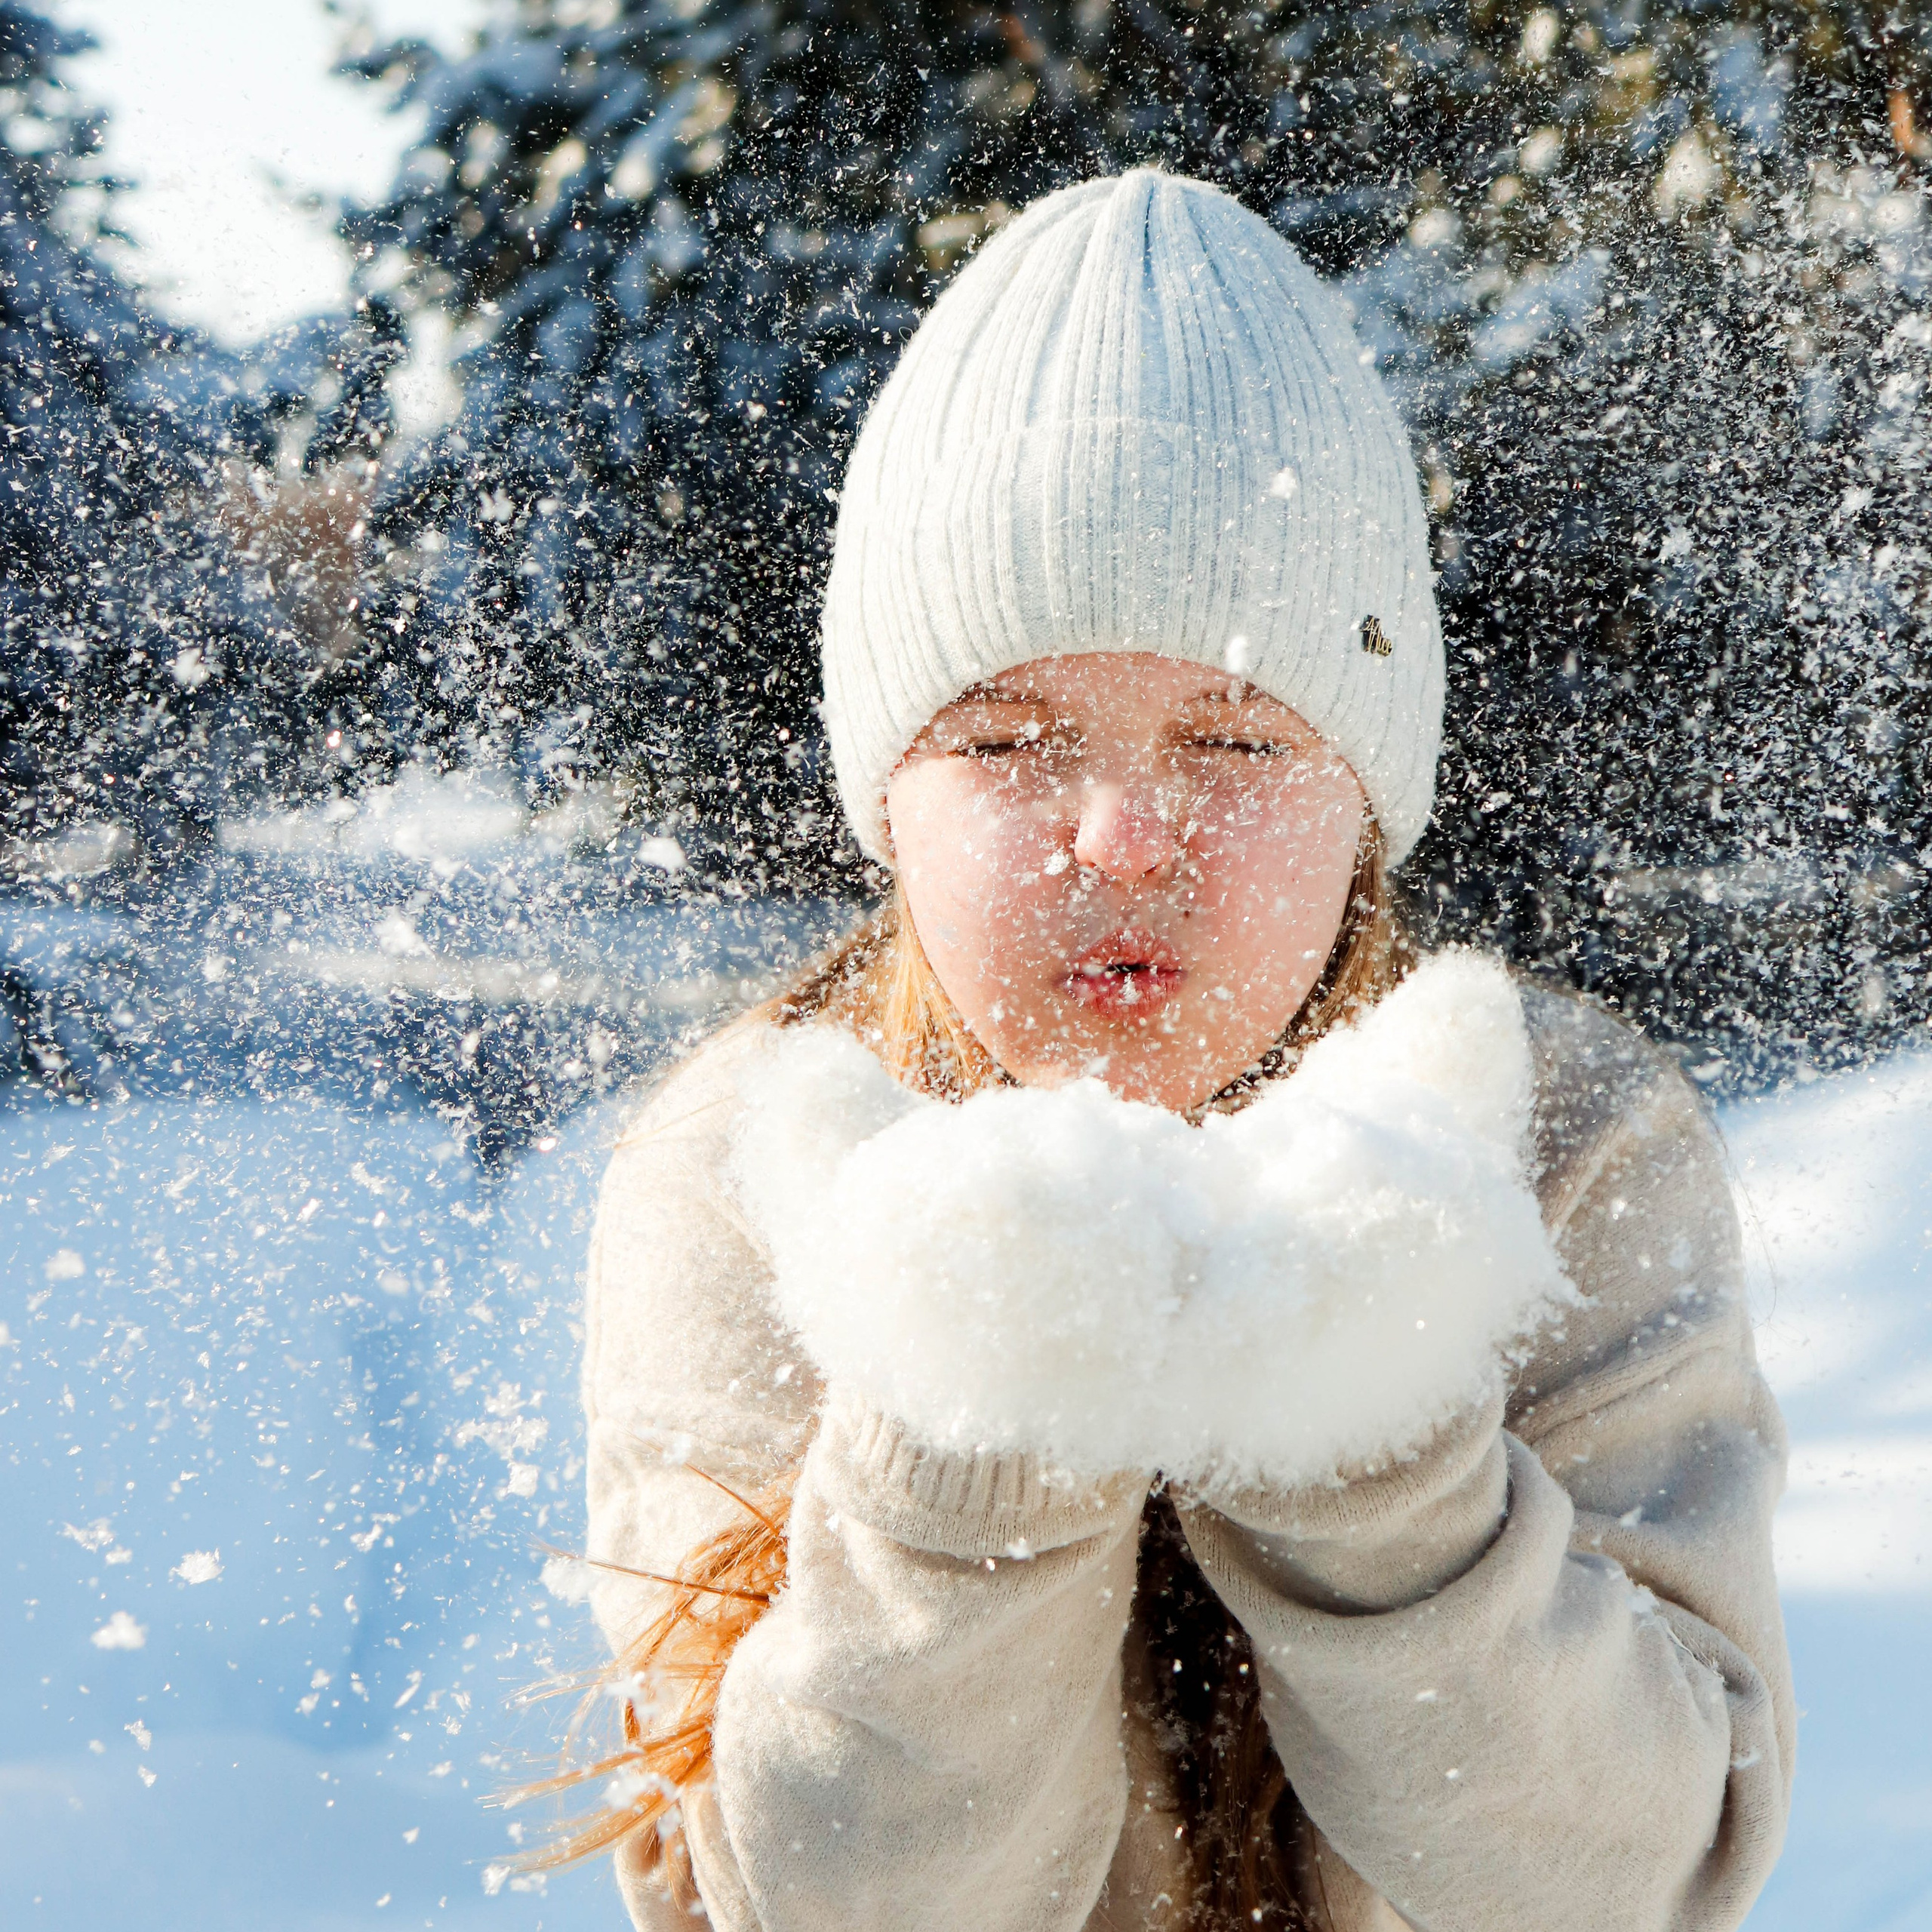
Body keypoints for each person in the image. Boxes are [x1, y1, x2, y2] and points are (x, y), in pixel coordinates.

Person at [563, 170, 1792, 1932]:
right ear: (882, 804)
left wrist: (1370, 1444)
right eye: (1005, 741)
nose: (1126, 833)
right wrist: (960, 1428)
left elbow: (1627, 1883)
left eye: (1228, 735)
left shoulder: (1560, 1143)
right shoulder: (750, 1171)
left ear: (1364, 804)